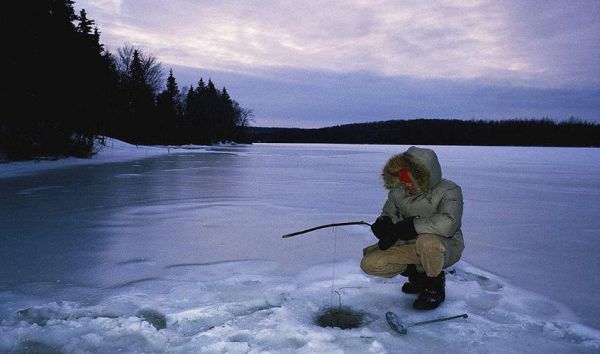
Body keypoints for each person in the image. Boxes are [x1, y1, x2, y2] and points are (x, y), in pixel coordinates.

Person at [360, 146, 464, 310]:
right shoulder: (398, 191)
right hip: (409, 245)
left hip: (444, 247)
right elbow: (388, 213)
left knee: (427, 242)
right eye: (403, 178)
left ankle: (434, 286)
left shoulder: (449, 191)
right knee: (370, 264)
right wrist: (384, 224)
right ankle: (418, 277)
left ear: (423, 177)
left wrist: (412, 226)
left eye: (410, 180)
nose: (405, 184)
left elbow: (449, 223)